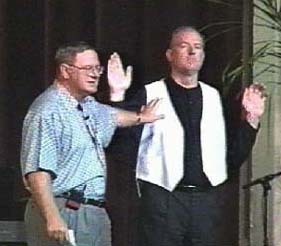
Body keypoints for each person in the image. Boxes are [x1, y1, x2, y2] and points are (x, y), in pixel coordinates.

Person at [107, 26, 266, 246]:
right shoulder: (150, 93)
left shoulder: (214, 97)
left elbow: (231, 159)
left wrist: (251, 120)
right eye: (184, 46)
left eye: (197, 47)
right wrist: (118, 97)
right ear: (169, 55)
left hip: (206, 201)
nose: (192, 52)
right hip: (163, 199)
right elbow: (120, 146)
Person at [20, 41, 163, 246]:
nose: (95, 74)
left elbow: (115, 117)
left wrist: (141, 117)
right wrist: (52, 217)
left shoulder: (88, 105)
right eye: (88, 68)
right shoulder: (48, 110)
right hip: (63, 210)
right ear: (65, 71)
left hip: (92, 213)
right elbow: (37, 172)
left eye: (98, 68)